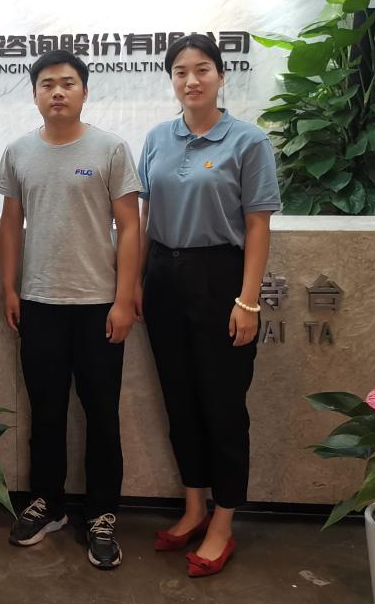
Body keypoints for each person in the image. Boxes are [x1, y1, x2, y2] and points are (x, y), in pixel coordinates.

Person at [137, 33, 280, 578]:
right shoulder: (158, 137)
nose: (191, 80)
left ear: (221, 75)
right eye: (180, 71)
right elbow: (146, 218)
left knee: (223, 405)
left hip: (220, 277)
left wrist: (248, 300)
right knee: (179, 398)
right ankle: (194, 506)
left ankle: (223, 520)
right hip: (163, 276)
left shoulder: (247, 141)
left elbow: (258, 225)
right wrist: (137, 282)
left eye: (202, 69)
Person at [0, 50, 141, 571]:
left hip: (99, 305)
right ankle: (48, 502)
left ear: (84, 91)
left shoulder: (110, 148)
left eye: (67, 83)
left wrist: (124, 298)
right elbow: (10, 224)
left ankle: (101, 512)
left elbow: (131, 226)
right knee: (46, 411)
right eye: (47, 84)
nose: (57, 92)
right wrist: (10, 287)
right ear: (35, 93)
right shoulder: (18, 152)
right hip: (39, 303)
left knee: (102, 414)